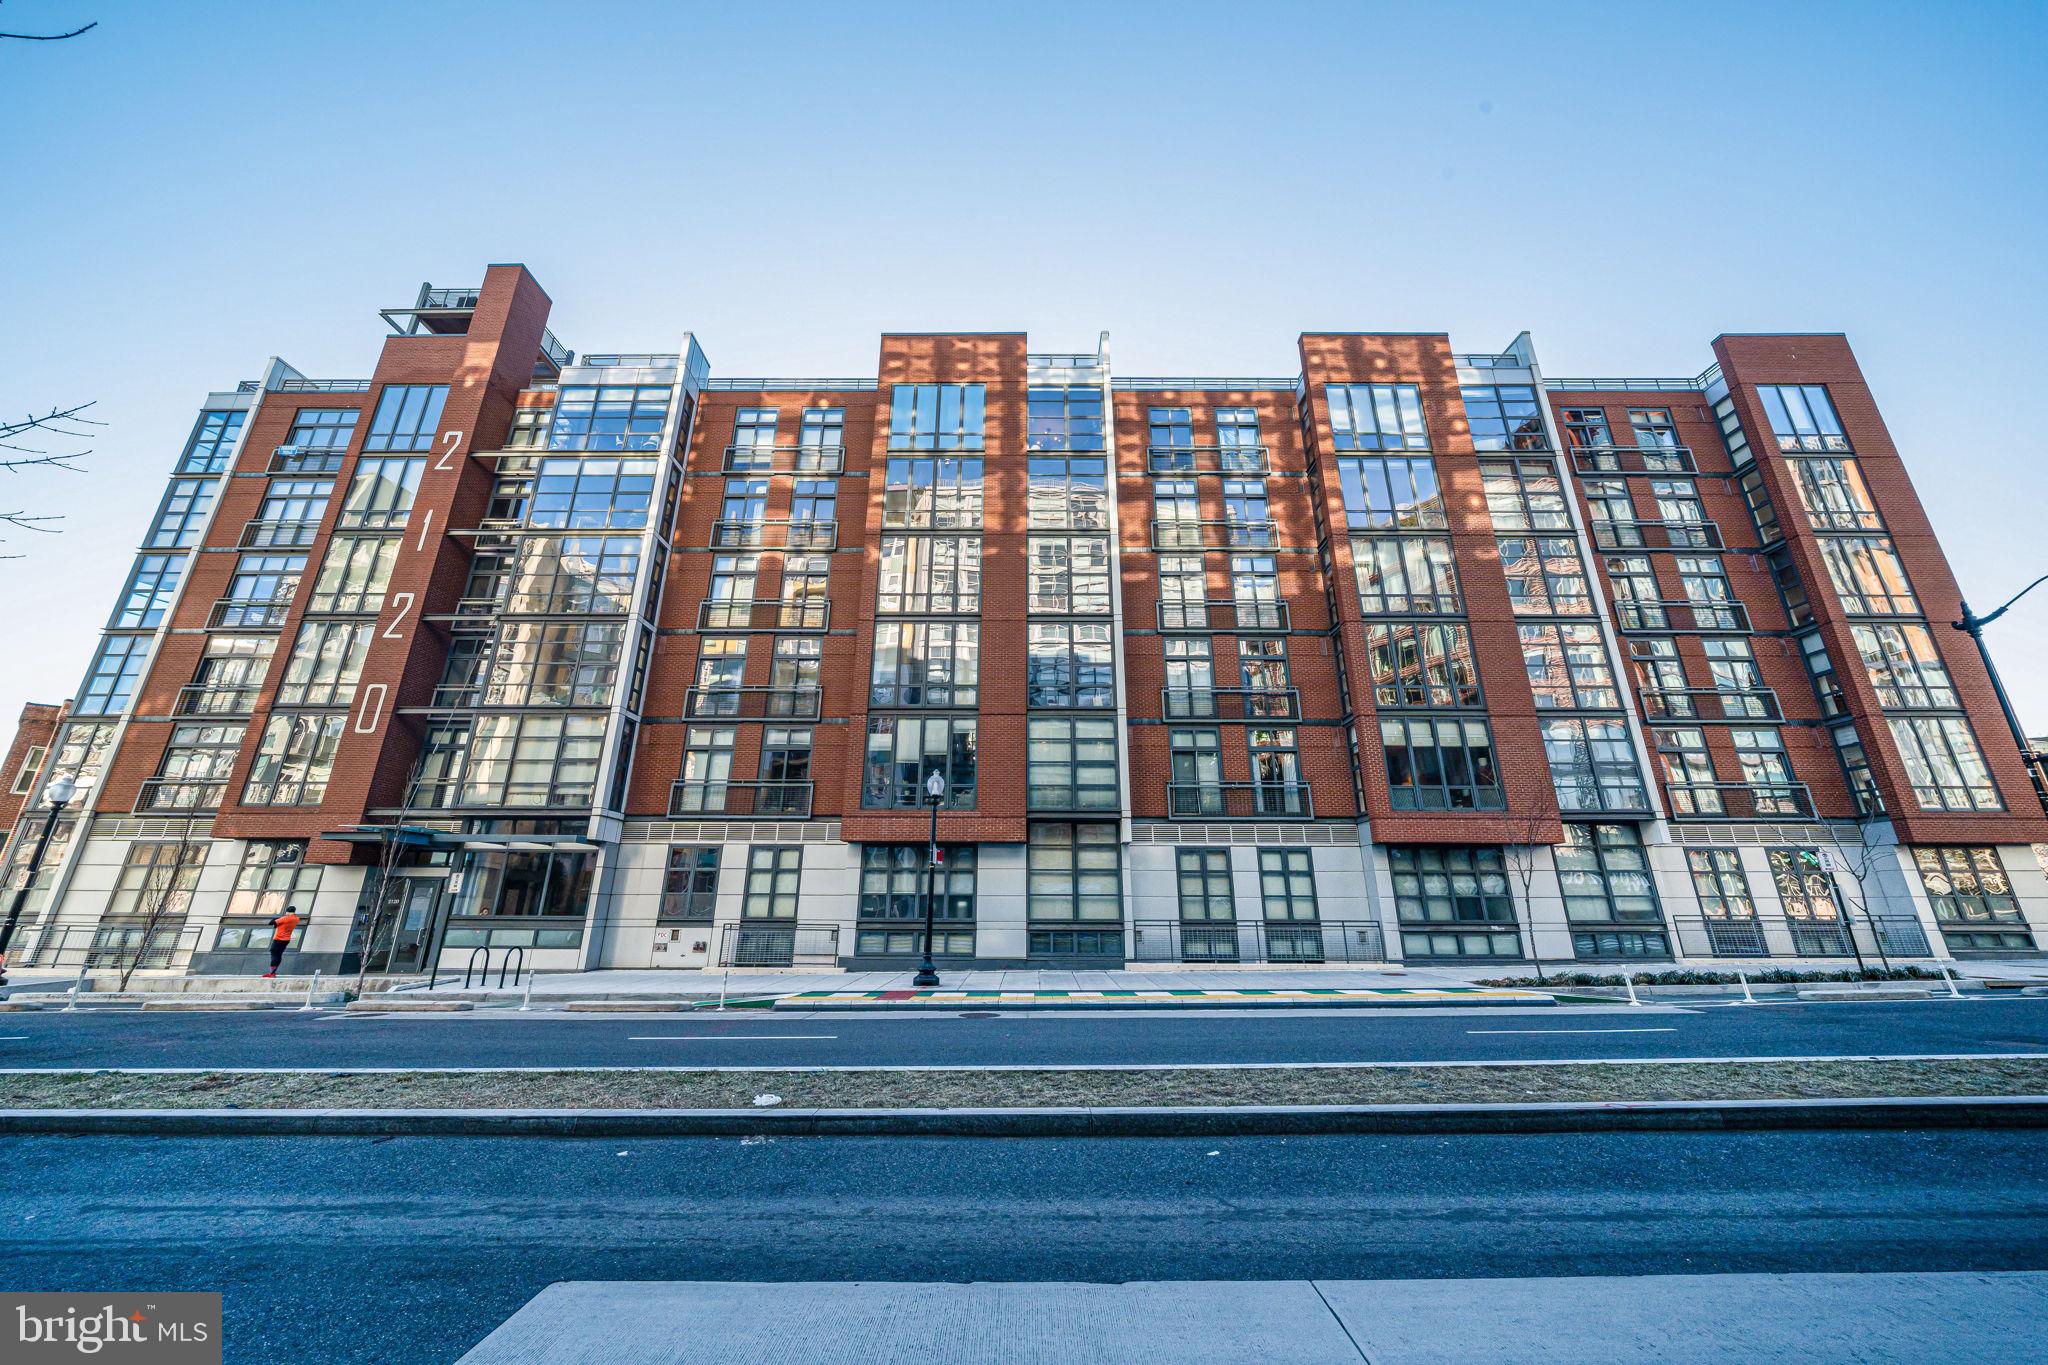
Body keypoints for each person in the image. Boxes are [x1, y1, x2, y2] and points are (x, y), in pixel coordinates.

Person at [264, 904, 302, 977]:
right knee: (279, 955)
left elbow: (271, 923)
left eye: (286, 912)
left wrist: (275, 918)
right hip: (286, 940)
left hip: (278, 939)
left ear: (288, 912)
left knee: (274, 953)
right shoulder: (297, 919)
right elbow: (281, 924)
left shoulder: (285, 918)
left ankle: (271, 973)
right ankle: (273, 972)